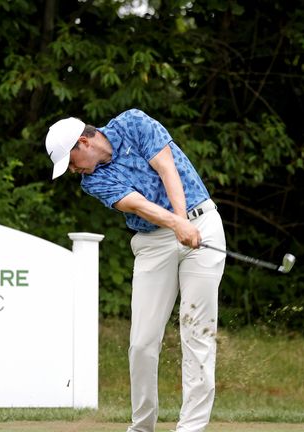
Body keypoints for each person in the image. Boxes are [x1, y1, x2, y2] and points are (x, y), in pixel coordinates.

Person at [45, 108, 226, 432]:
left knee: (197, 332)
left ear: (83, 142)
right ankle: (142, 427)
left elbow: (167, 167)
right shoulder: (92, 180)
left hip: (202, 225)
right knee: (142, 342)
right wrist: (175, 224)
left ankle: (191, 428)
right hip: (153, 242)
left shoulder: (134, 123)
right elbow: (137, 204)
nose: (72, 171)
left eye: (70, 162)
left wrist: (182, 222)